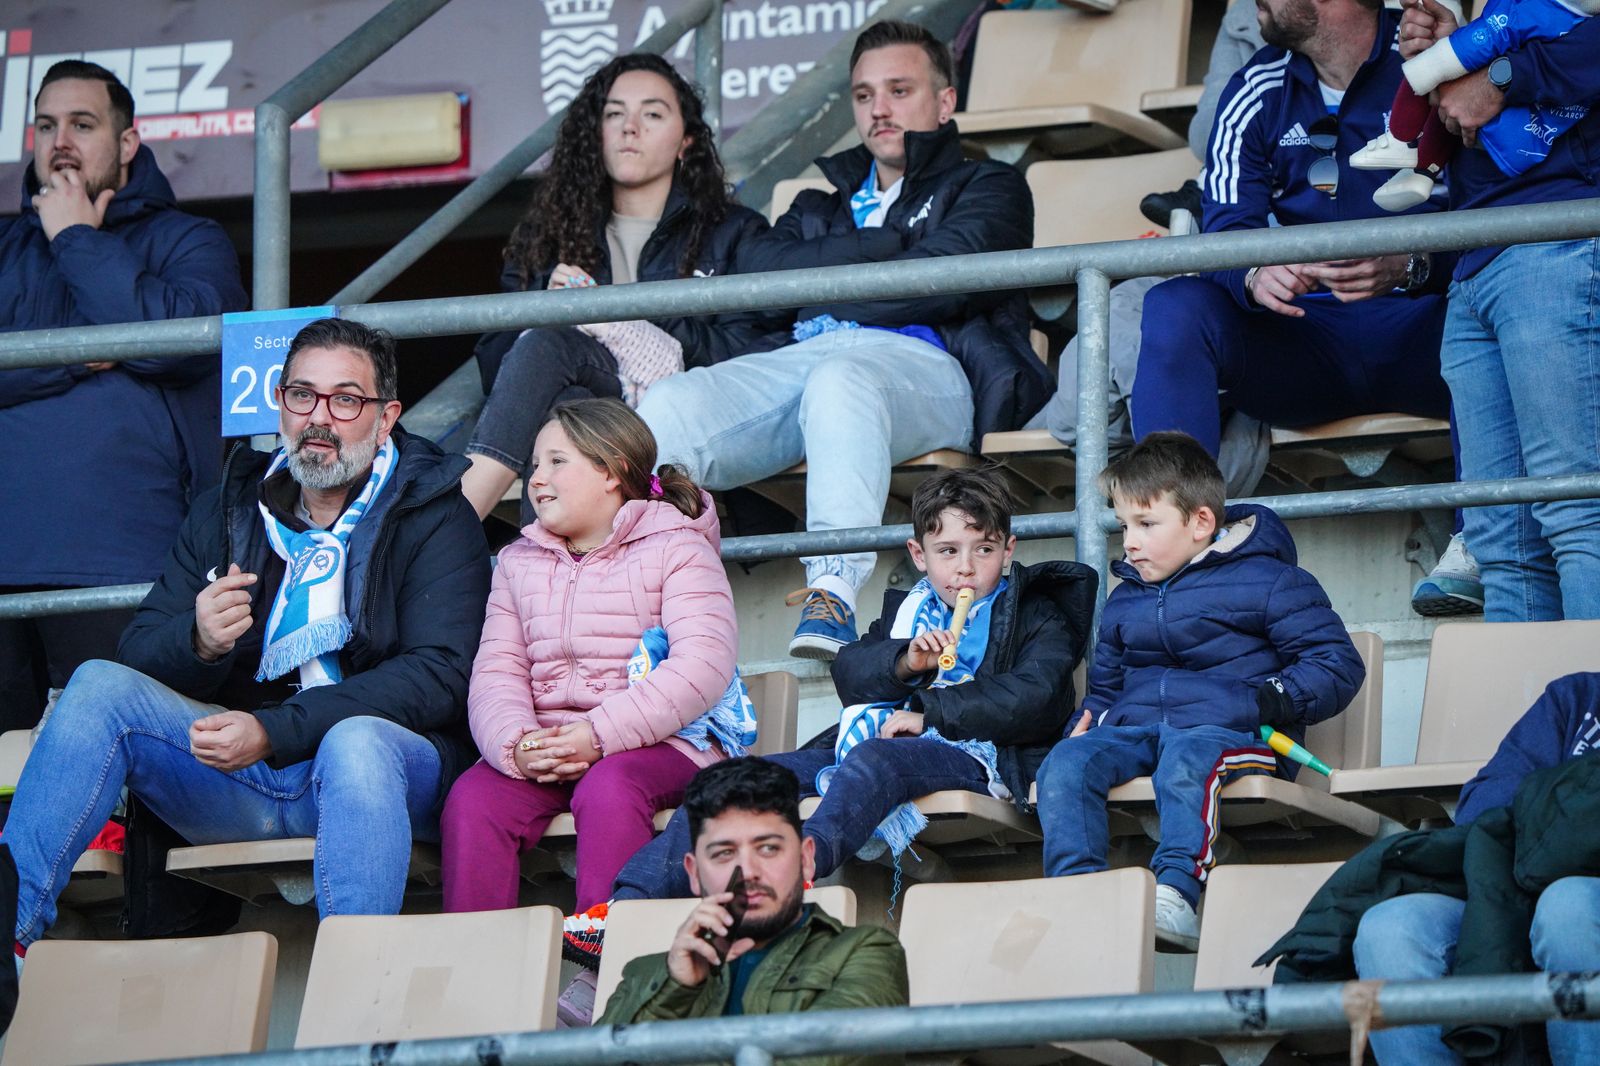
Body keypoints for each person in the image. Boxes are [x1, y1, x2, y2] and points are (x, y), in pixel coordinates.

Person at [0, 318, 489, 950]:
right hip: (240, 778)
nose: (320, 418)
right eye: (301, 395)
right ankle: (5, 941)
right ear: (279, 402)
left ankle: (356, 988)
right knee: (96, 687)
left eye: (346, 400)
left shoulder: (435, 509)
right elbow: (139, 651)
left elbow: (443, 673)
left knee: (358, 742)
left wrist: (275, 731)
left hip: (383, 777)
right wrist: (198, 640)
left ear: (386, 416)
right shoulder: (230, 507)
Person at [558, 468, 1096, 1011]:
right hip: (879, 735)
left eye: (982, 550)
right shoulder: (909, 610)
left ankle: (798, 876)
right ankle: (623, 912)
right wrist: (906, 661)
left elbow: (1036, 698)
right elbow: (851, 675)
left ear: (1008, 550)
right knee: (731, 783)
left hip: (979, 755)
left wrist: (930, 711)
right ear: (918, 554)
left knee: (876, 761)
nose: (964, 568)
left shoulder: (1037, 610)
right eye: (948, 550)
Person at [636, 20, 1050, 662]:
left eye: (898, 89)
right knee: (666, 404)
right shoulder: (814, 205)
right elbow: (765, 278)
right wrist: (889, 255)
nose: (879, 110)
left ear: (944, 102)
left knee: (843, 380)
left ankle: (831, 592)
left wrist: (824, 282)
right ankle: (654, 600)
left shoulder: (988, 184)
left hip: (928, 365)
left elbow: (938, 284)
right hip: (805, 357)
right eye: (863, 96)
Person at [1035, 432, 1364, 947]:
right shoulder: (1127, 597)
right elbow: (1108, 682)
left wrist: (1270, 699)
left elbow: (1336, 663)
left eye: (1146, 524)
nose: (1130, 542)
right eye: (1124, 526)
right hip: (1141, 730)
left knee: (1187, 755)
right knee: (1065, 762)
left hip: (1234, 733)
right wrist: (1093, 714)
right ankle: (1079, 894)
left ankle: (1176, 896)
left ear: (1201, 522)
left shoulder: (1270, 580)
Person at [0, 60, 248, 731]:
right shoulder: (4, 247)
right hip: (8, 555)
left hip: (127, 559)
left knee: (120, 772)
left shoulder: (189, 240)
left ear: (128, 143)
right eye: (47, 125)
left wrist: (76, 238)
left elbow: (179, 343)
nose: (61, 142)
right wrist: (87, 356)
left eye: (83, 124)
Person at [442, 398, 738, 921]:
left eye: (557, 461)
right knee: (473, 799)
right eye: (535, 465)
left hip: (663, 743)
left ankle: (602, 964)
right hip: (551, 745)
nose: (537, 479)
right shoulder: (516, 563)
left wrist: (598, 735)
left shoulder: (678, 547)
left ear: (611, 470)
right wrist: (519, 745)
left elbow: (702, 666)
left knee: (609, 787)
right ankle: (478, 970)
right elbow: (496, 673)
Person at [459, 54, 787, 521]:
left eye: (652, 114)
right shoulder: (551, 233)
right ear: (596, 134)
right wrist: (543, 312)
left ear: (686, 141)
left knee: (565, 418)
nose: (630, 127)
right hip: (589, 417)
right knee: (563, 394)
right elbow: (498, 363)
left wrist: (621, 319)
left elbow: (759, 358)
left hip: (680, 422)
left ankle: (457, 521)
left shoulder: (733, 231)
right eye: (614, 114)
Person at [1256, 672, 1600, 1063]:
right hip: (1506, 889)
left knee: (1566, 905)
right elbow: (1483, 805)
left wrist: (1557, 811)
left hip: (1569, 898)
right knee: (1390, 927)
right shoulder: (1578, 696)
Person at [1394, 0, 1600, 621]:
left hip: (1560, 240)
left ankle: (1587, 713)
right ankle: (1536, 720)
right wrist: (1463, 49)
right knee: (1504, 547)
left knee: (1578, 515)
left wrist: (1499, 76)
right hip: (1480, 257)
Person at [598, 757, 909, 1054]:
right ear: (693, 873)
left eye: (768, 848)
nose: (747, 871)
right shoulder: (648, 974)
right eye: (723, 853)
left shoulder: (866, 953)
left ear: (804, 858)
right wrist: (675, 989)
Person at [1351, 0, 1595, 211]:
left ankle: (1400, 139)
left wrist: (1497, 79)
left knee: (1427, 69)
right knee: (1441, 72)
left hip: (1559, 220)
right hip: (1489, 209)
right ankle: (1423, 171)